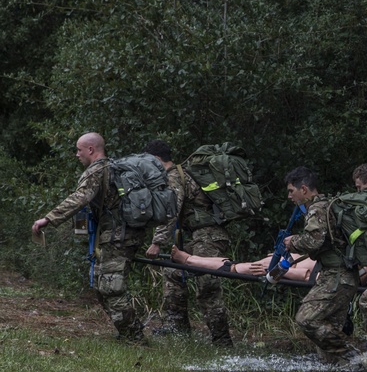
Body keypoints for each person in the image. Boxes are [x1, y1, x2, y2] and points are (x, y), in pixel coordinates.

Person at [32, 132, 146, 342]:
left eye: (79, 150)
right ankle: (128, 333)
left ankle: (135, 338)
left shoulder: (97, 170)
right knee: (102, 286)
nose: (77, 154)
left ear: (91, 150)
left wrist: (48, 219)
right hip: (119, 234)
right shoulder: (112, 167)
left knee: (111, 287)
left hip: (118, 236)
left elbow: (79, 198)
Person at [143, 140, 232, 345]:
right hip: (198, 236)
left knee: (206, 283)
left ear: (156, 159)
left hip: (209, 236)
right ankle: (178, 331)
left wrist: (157, 242)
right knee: (173, 272)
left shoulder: (174, 177)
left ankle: (222, 342)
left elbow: (170, 211)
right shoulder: (176, 175)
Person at [282, 166, 360, 362]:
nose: (290, 197)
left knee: (306, 318)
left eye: (292, 191)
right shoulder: (328, 205)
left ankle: (357, 356)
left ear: (304, 189)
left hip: (337, 276)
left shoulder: (317, 208)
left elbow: (313, 240)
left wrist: (293, 242)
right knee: (327, 341)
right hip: (343, 275)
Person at [169, 245, 318, 282]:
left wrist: (271, 271)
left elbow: (307, 277)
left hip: (286, 269)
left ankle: (189, 260)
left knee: (236, 268)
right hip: (289, 261)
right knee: (236, 264)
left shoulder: (335, 273)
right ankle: (191, 258)